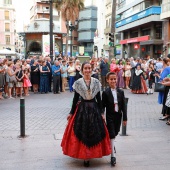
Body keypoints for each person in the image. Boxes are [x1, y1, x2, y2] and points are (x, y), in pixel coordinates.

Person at [61, 62, 111, 167]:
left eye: (89, 68)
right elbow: (75, 99)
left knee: (94, 132)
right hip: (82, 108)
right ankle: (85, 156)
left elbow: (99, 99)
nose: (87, 70)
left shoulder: (96, 82)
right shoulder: (78, 82)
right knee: (82, 131)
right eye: (85, 68)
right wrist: (71, 112)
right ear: (82, 70)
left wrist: (102, 112)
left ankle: (91, 153)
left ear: (91, 69)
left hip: (94, 108)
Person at [102, 72, 127, 166]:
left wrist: (125, 118)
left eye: (114, 79)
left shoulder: (121, 92)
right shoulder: (105, 92)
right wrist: (102, 114)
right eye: (111, 79)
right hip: (110, 116)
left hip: (118, 115)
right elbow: (102, 105)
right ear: (107, 80)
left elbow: (124, 105)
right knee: (111, 133)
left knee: (115, 132)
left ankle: (112, 145)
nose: (113, 81)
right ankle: (113, 156)